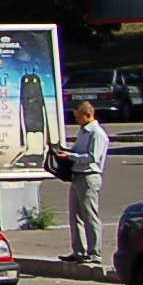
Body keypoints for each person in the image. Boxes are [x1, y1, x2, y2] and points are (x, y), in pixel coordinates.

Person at [62, 98, 110, 264]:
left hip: (89, 176)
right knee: (75, 216)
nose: (76, 120)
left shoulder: (97, 133)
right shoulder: (83, 132)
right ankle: (79, 251)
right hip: (77, 175)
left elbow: (92, 157)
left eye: (78, 117)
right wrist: (65, 153)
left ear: (88, 115)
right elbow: (76, 150)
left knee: (89, 215)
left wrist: (71, 156)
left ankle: (94, 253)